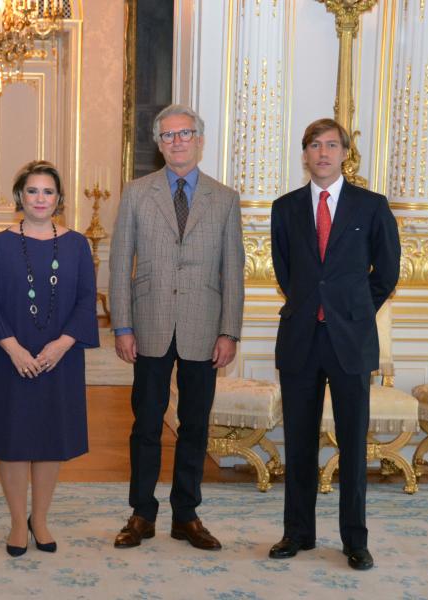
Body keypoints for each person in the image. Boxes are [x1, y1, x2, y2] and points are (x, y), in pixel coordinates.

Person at [108, 104, 245, 551]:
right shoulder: (136, 193)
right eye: (168, 135)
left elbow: (234, 271)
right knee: (146, 424)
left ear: (199, 141)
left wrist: (229, 331)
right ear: (159, 144)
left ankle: (186, 515)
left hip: (204, 328)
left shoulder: (224, 198)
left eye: (185, 134)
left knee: (195, 426)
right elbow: (119, 262)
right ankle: (142, 513)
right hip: (148, 324)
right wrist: (122, 325)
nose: (177, 141)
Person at [267, 118, 400, 571]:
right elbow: (286, 272)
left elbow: (387, 272)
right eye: (314, 145)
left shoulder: (371, 206)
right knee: (299, 443)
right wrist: (314, 304)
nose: (322, 153)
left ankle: (355, 541)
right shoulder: (285, 208)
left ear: (344, 153)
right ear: (304, 154)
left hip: (350, 341)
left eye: (330, 145)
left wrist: (353, 308)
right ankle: (297, 533)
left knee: (353, 445)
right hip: (301, 339)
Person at [0, 160, 100, 557]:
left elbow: (86, 300)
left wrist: (62, 345)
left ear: (59, 199)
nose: (40, 198)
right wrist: (13, 349)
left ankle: (39, 519)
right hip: (10, 358)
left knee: (49, 440)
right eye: (32, 191)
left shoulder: (77, 245)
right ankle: (16, 522)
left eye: (48, 191)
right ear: (19, 196)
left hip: (60, 359)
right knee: (12, 440)